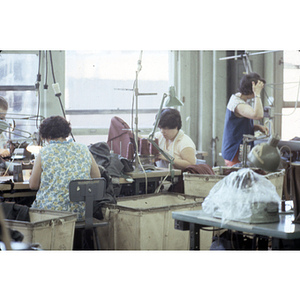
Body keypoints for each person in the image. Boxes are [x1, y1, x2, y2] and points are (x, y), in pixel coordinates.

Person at [29, 116, 100, 221]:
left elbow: (33, 185)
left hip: (51, 215)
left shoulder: (44, 152)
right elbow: (97, 177)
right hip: (81, 213)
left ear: (46, 135)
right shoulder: (83, 148)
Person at [221, 72, 269, 167]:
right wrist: (257, 94)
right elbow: (258, 115)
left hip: (236, 149)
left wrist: (257, 127)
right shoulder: (238, 104)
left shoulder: (238, 97)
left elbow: (238, 125)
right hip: (235, 152)